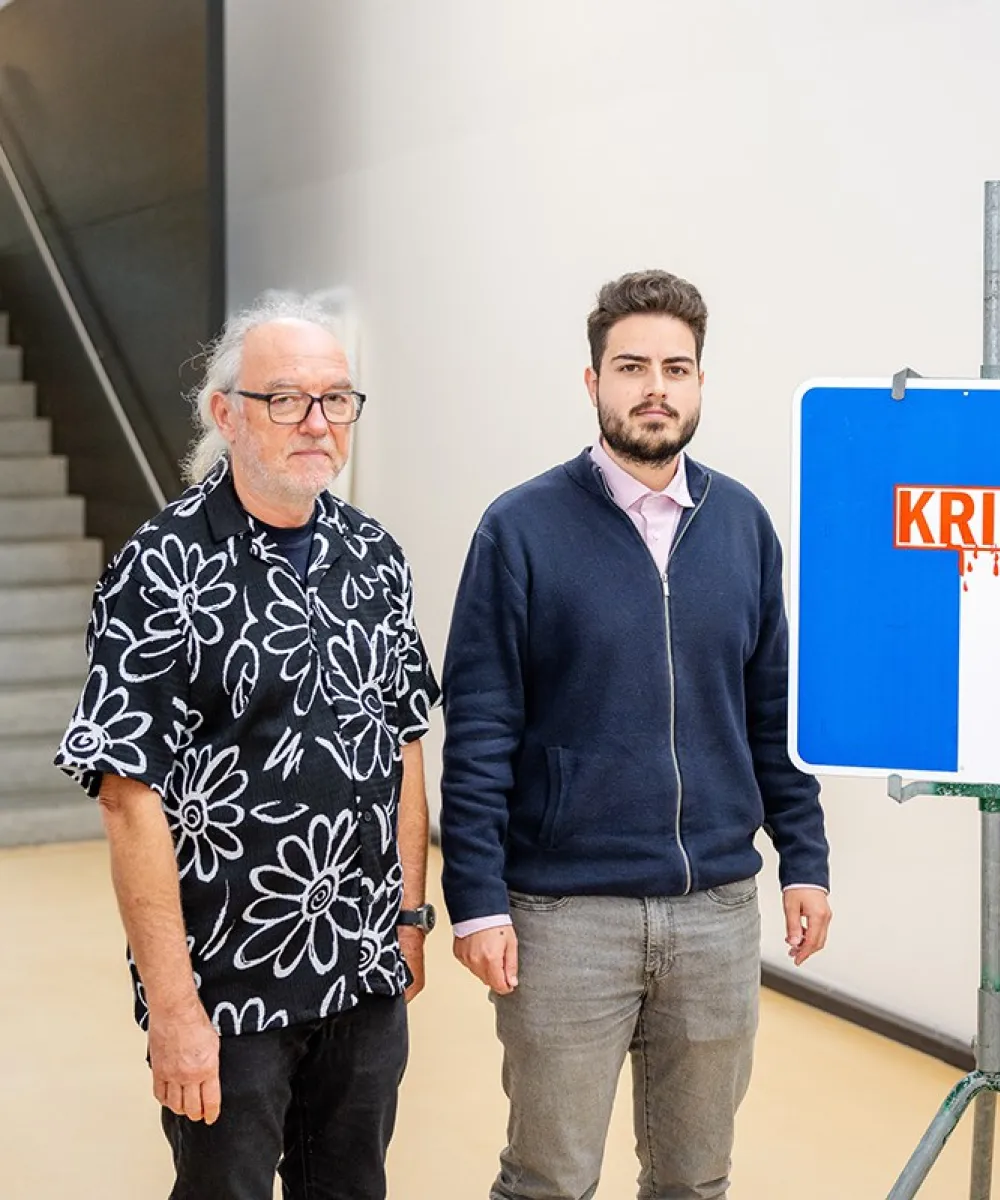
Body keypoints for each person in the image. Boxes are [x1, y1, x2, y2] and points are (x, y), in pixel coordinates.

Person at [440, 268, 831, 1200]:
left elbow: (773, 710)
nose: (655, 387)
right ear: (593, 383)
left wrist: (805, 857)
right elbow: (481, 724)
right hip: (564, 918)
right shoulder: (521, 527)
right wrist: (477, 898)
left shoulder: (740, 524)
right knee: (548, 1180)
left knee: (696, 1182)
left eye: (677, 368)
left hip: (716, 913)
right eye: (631, 367)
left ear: (700, 384)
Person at [55, 293, 440, 1200]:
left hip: (360, 969)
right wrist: (174, 1005)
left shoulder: (375, 558)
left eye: (337, 399)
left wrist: (412, 919)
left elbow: (406, 739)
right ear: (226, 413)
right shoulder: (161, 566)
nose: (318, 422)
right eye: (287, 399)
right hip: (228, 986)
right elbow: (125, 793)